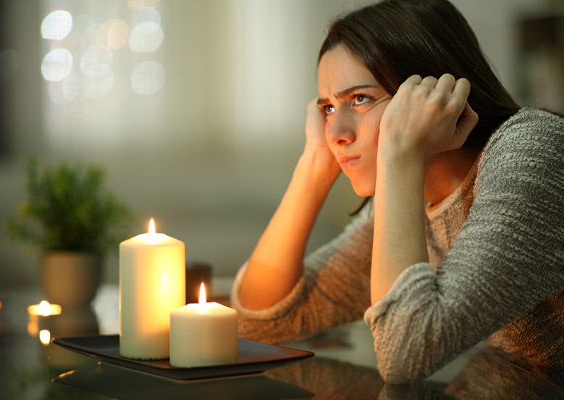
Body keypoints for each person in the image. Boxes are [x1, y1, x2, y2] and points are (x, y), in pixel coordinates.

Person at [230, 0, 564, 384]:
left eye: (360, 99)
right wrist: (313, 167)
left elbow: (404, 355)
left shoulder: (532, 149)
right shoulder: (409, 199)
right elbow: (258, 324)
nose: (337, 131)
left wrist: (401, 153)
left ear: (435, 94)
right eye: (327, 107)